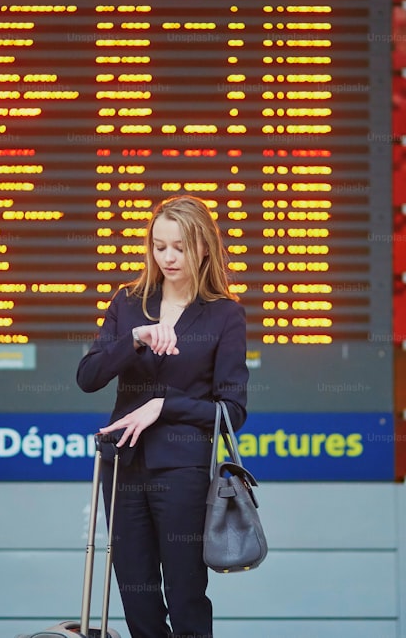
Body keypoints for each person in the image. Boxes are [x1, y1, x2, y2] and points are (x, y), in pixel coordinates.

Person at [76, 195, 249, 638]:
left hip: (183, 472)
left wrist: (163, 406)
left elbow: (232, 409)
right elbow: (88, 377)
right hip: (124, 469)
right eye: (159, 246)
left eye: (180, 247)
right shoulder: (129, 303)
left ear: (204, 248)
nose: (168, 257)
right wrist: (131, 340)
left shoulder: (225, 314)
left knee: (186, 594)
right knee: (138, 601)